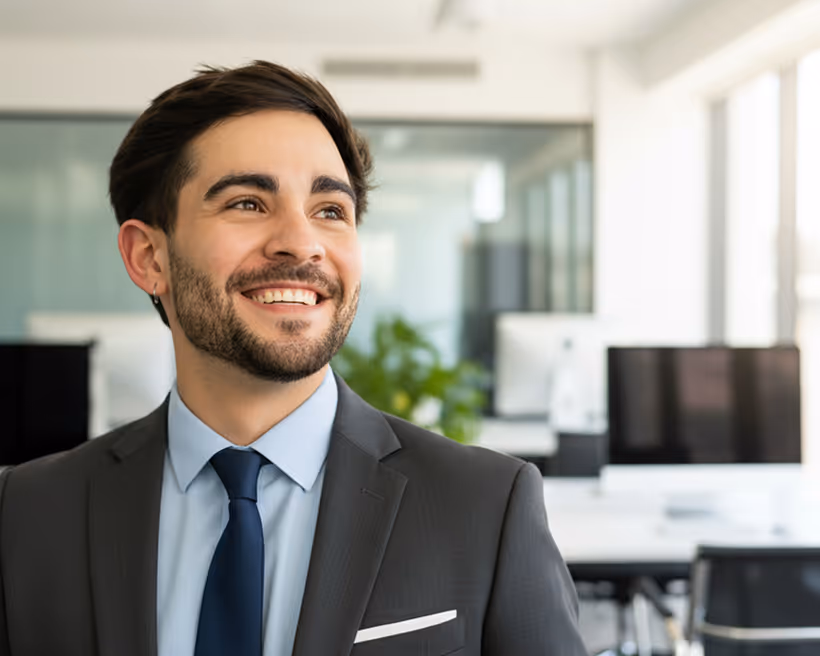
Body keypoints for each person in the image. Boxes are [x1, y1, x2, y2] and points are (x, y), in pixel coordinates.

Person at [0, 61, 586, 656]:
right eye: (248, 203)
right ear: (149, 257)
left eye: (331, 211)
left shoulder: (485, 505)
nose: (301, 242)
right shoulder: (26, 513)